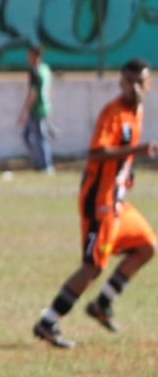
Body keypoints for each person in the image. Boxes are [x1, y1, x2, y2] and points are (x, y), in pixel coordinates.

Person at [33, 58, 158, 350]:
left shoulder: (136, 111)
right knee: (92, 266)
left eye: (140, 81)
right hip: (99, 203)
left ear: (149, 83)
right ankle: (48, 321)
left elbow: (120, 157)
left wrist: (128, 173)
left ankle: (102, 304)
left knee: (147, 247)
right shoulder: (113, 113)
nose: (135, 87)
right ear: (120, 82)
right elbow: (96, 152)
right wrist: (136, 151)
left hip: (117, 202)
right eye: (129, 81)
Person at [17, 43, 55, 175]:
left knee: (39, 138)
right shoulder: (46, 69)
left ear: (34, 55)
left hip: (37, 109)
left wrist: (23, 112)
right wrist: (49, 106)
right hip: (44, 107)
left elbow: (33, 94)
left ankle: (45, 166)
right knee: (30, 136)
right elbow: (49, 90)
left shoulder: (35, 71)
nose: (28, 57)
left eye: (30, 54)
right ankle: (40, 163)